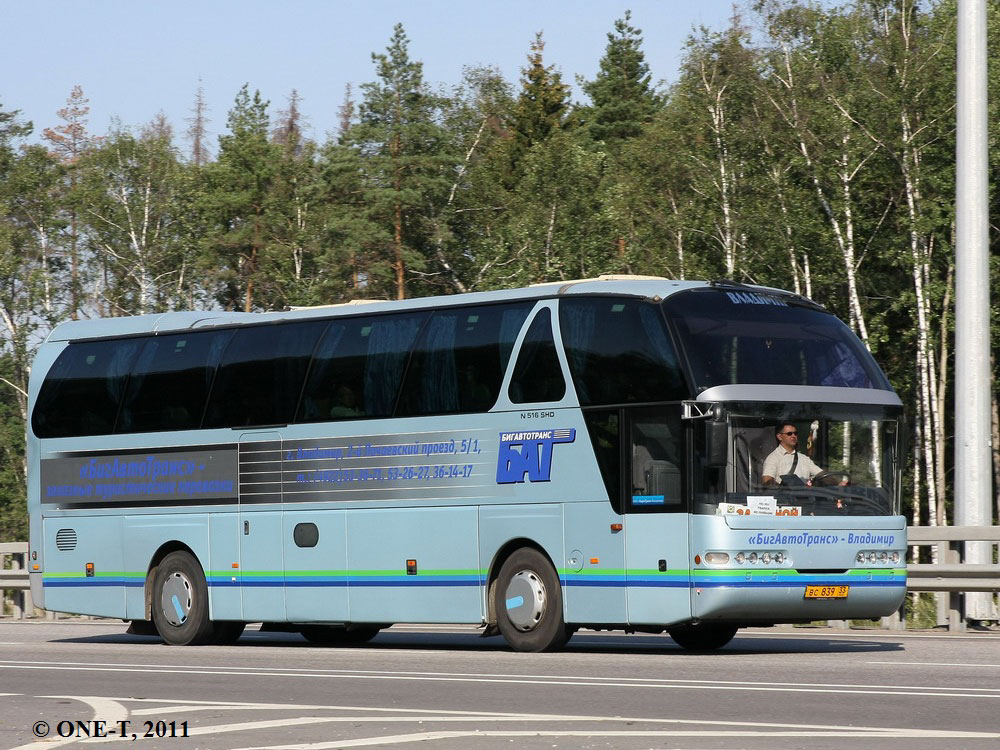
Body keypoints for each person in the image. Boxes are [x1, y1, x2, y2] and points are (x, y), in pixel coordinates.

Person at [761, 422, 824, 486]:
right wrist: (783, 489)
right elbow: (767, 481)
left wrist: (832, 480)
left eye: (795, 433)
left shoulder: (804, 459)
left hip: (806, 494)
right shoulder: (773, 458)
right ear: (780, 437)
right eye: (789, 434)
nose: (793, 436)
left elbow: (821, 475)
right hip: (784, 495)